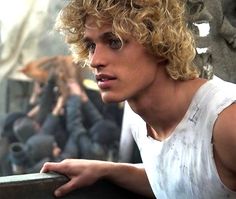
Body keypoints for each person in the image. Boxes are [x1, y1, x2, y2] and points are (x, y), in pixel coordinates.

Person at [40, 0, 236, 198]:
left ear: (160, 43)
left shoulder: (225, 120)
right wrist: (108, 170)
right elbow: (178, 183)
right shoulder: (140, 119)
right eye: (91, 45)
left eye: (114, 42)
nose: (95, 60)